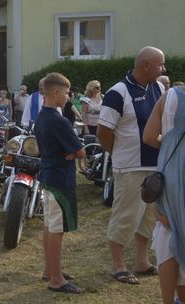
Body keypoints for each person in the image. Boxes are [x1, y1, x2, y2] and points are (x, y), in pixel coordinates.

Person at [97, 46, 166, 285]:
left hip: (155, 164)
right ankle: (117, 264)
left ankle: (141, 261)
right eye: (160, 64)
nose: (163, 69)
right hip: (129, 167)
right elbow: (103, 130)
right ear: (146, 65)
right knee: (126, 215)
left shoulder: (157, 87)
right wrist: (117, 153)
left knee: (148, 217)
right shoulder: (118, 92)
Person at [34, 72, 85, 294]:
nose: (68, 97)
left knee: (49, 226)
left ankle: (50, 269)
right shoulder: (59, 120)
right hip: (59, 180)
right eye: (66, 93)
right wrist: (74, 153)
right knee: (56, 229)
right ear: (55, 93)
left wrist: (71, 152)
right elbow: (81, 151)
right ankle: (56, 279)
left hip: (48, 175)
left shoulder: (42, 117)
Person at [143, 85, 185, 304]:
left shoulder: (169, 96)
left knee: (168, 230)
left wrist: (169, 144)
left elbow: (149, 136)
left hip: (169, 178)